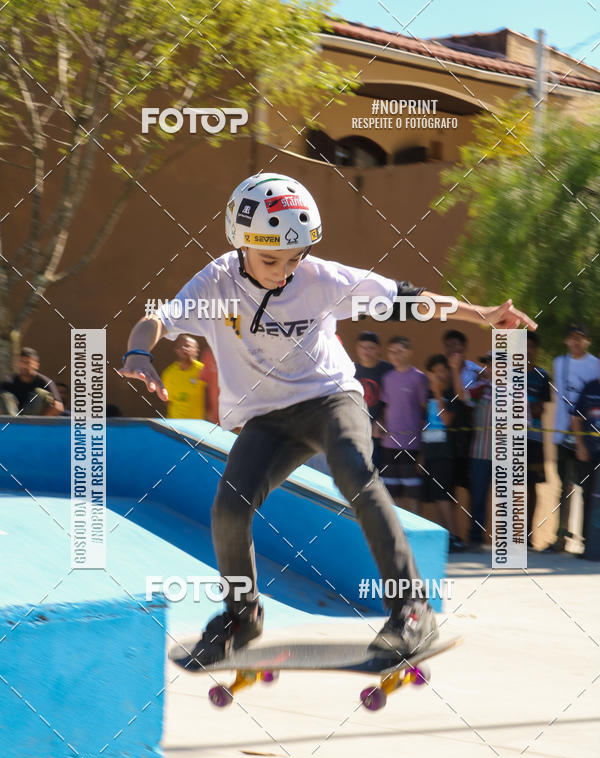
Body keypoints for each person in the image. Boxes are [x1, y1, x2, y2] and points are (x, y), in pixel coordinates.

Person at [119, 171, 536, 665]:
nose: (283, 271)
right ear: (241, 243)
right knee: (229, 508)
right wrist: (138, 352)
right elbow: (158, 319)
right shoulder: (215, 281)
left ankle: (412, 611)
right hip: (267, 419)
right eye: (270, 259)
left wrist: (481, 313)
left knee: (355, 473)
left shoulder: (321, 279)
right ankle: (241, 614)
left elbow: (409, 299)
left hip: (330, 398)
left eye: (294, 258)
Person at [547, 324, 600, 552]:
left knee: (587, 489)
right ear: (566, 341)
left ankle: (588, 539)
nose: (575, 342)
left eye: (580, 338)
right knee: (564, 488)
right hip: (563, 433)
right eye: (571, 338)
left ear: (586, 341)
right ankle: (561, 538)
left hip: (587, 437)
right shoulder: (559, 363)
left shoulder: (595, 364)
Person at [421, 354, 467, 552]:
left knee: (444, 497)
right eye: (435, 371)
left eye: (443, 370)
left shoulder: (449, 394)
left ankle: (455, 536)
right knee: (435, 497)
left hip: (445, 452)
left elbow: (447, 420)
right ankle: (444, 537)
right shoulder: (426, 394)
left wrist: (438, 394)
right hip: (429, 451)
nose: (439, 374)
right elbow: (423, 424)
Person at [378, 336, 428, 513]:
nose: (395, 355)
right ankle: (397, 531)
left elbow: (425, 410)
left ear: (409, 352)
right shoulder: (388, 378)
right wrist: (380, 424)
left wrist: (422, 444)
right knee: (391, 490)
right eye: (391, 352)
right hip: (389, 442)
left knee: (412, 490)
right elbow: (386, 407)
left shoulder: (419, 378)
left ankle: (414, 531)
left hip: (411, 443)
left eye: (400, 351)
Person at [442, 330, 478, 502]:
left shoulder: (476, 370)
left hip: (470, 436)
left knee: (472, 486)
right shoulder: (441, 370)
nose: (451, 349)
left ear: (464, 347)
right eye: (448, 346)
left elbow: (464, 398)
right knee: (448, 490)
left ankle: (474, 529)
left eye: (455, 345)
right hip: (447, 437)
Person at [354, 331, 393, 468]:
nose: (366, 351)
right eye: (363, 347)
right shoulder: (351, 370)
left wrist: (382, 419)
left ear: (379, 349)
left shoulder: (389, 371)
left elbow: (394, 402)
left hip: (380, 436)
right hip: (355, 433)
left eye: (371, 348)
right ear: (357, 348)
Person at [526, 333, 551, 549]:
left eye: (531, 347)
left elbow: (540, 409)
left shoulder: (543, 376)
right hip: (511, 439)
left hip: (534, 438)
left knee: (532, 487)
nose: (527, 351)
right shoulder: (508, 374)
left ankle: (528, 534)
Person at [571, 375, 600, 558]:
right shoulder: (589, 387)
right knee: (588, 497)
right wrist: (580, 445)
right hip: (589, 453)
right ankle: (588, 545)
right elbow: (575, 418)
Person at [467, 354, 493, 550]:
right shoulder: (480, 388)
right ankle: (475, 538)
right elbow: (463, 396)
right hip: (480, 452)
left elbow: (524, 422)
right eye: (489, 365)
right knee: (478, 496)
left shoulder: (517, 392)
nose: (492, 369)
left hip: (506, 455)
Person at [0, 347, 63, 416]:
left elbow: (58, 407)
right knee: (4, 395)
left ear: (36, 365)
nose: (24, 366)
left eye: (28, 362)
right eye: (22, 362)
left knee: (41, 393)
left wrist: (42, 421)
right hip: (13, 421)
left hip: (34, 422)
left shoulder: (45, 382)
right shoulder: (8, 381)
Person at [161, 335, 211, 420]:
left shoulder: (204, 371)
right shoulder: (169, 373)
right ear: (176, 350)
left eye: (188, 346)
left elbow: (210, 400)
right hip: (175, 425)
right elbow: (167, 401)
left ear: (196, 351)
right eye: (180, 347)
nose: (184, 349)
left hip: (198, 426)